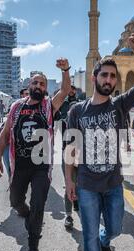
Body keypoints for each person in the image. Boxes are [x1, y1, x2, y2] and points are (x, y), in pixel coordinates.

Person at [66, 33, 134, 251]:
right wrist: (69, 182)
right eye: (104, 75)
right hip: (87, 185)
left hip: (113, 183)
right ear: (94, 78)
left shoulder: (118, 105)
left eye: (113, 77)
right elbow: (70, 149)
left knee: (114, 228)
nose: (109, 80)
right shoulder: (77, 111)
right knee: (88, 234)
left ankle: (106, 241)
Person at [0, 59, 72, 251]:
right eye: (35, 83)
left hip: (41, 167)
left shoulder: (49, 106)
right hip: (19, 165)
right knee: (16, 201)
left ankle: (33, 243)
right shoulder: (16, 107)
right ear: (29, 86)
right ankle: (28, 217)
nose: (38, 86)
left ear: (46, 89)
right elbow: (5, 133)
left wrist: (65, 70)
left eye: (42, 84)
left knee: (38, 204)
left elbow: (64, 91)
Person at [56, 85, 80, 230]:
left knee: (81, 185)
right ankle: (68, 215)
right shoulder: (62, 110)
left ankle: (78, 202)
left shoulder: (83, 110)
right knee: (69, 183)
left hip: (83, 154)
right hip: (67, 153)